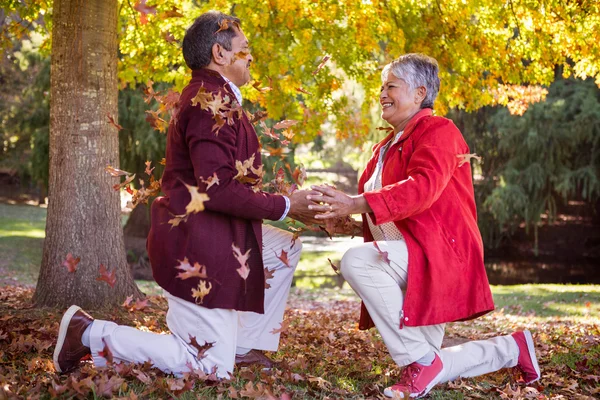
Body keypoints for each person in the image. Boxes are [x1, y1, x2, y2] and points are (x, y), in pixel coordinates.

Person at [53, 11, 317, 379]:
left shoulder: (218, 96)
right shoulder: (209, 101)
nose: (251, 55)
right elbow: (217, 189)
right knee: (209, 367)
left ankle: (242, 347)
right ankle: (91, 333)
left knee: (282, 250)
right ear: (219, 54)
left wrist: (290, 207)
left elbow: (224, 181)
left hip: (216, 235)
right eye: (245, 48)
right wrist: (286, 205)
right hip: (197, 246)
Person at [307, 54, 540, 398]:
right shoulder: (384, 148)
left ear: (419, 93)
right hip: (408, 258)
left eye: (391, 86)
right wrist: (345, 222)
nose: (382, 93)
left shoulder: (440, 131)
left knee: (357, 261)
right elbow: (390, 214)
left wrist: (356, 203)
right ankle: (512, 348)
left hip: (439, 256)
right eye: (381, 86)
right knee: (430, 360)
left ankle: (420, 363)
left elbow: (422, 188)